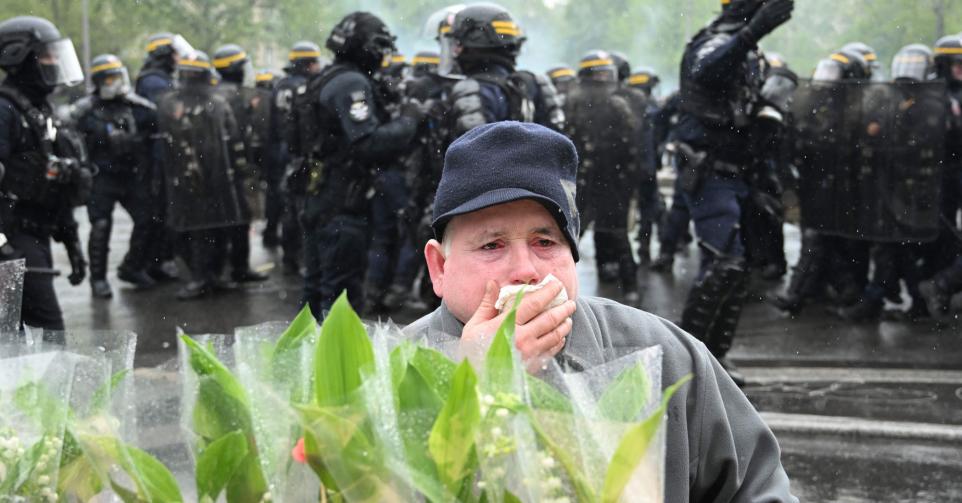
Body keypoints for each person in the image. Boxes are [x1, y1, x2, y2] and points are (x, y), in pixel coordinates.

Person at [404, 121, 797, 502]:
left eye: (545, 241)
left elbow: (757, 488)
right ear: (440, 268)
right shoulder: (389, 372)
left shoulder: (665, 356)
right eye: (492, 245)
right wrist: (469, 389)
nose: (525, 269)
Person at [675, 0, 793, 385]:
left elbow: (751, 116)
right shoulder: (713, 41)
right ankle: (687, 360)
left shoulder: (749, 53)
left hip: (740, 172)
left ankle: (715, 357)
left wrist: (769, 172)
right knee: (723, 263)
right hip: (710, 170)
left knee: (737, 269)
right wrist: (752, 31)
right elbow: (705, 70)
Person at [297, 12, 423, 318]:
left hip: (320, 195)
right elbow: (367, 143)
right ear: (366, 47)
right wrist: (410, 119)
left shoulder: (326, 77)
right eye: (379, 47)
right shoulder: (351, 82)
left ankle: (309, 360)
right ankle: (337, 364)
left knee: (316, 290)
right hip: (342, 202)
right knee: (342, 299)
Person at [0, 15, 90, 333]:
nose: (54, 61)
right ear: (18, 56)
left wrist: (71, 242)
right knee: (46, 333)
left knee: (25, 334)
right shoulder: (5, 110)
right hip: (12, 238)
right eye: (46, 54)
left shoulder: (40, 111)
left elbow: (53, 181)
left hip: (35, 236)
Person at [156, 52, 245, 300]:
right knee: (199, 231)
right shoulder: (174, 104)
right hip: (191, 177)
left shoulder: (204, 103)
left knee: (212, 230)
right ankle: (201, 277)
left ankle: (211, 276)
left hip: (210, 176)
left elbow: (230, 136)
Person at [71, 54, 158, 298]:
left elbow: (154, 126)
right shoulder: (85, 111)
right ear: (99, 82)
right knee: (100, 225)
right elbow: (72, 140)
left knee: (147, 219)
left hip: (130, 175)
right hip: (102, 176)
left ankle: (132, 267)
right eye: (110, 79)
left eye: (118, 77)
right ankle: (98, 279)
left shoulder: (135, 106)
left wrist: (136, 142)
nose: (117, 83)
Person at [563, 51, 639, 304]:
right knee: (611, 235)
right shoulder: (612, 103)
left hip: (591, 182)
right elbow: (631, 148)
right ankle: (630, 287)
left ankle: (556, 292)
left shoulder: (574, 102)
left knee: (572, 239)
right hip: (600, 182)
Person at [444, 2, 564, 138]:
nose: (455, 50)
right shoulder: (535, 84)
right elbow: (559, 147)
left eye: (458, 44)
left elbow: (472, 154)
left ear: (475, 43)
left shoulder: (474, 90)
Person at [136, 31, 193, 282]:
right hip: (156, 158)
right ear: (164, 56)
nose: (178, 58)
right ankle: (146, 264)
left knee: (164, 212)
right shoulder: (153, 81)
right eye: (175, 54)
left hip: (164, 155)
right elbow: (169, 112)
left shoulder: (161, 78)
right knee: (157, 212)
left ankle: (157, 263)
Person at [212, 43, 269, 283]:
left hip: (217, 167)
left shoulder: (213, 93)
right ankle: (239, 268)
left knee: (224, 220)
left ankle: (223, 269)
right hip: (239, 167)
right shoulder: (238, 97)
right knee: (241, 217)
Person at [265, 41, 323, 273]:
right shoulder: (308, 87)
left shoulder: (280, 86)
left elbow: (270, 124)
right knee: (300, 205)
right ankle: (297, 255)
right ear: (308, 64)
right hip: (298, 153)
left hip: (281, 150)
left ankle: (287, 253)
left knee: (284, 201)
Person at [919, 34, 962, 321]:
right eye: (958, 63)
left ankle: (941, 289)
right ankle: (931, 295)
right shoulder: (932, 94)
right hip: (938, 176)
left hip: (955, 174)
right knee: (938, 239)